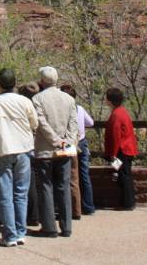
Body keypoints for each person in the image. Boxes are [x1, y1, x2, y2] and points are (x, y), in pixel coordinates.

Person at [0, 68, 38, 247]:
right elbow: (34, 123)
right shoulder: (25, 101)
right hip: (24, 149)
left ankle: (10, 235)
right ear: (15, 83)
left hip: (3, 150)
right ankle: (20, 232)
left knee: (5, 194)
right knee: (20, 193)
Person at [32, 66, 78, 238]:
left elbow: (41, 123)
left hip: (45, 150)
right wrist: (67, 142)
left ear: (42, 81)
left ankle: (49, 228)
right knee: (63, 187)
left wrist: (55, 140)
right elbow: (73, 124)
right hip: (65, 151)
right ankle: (67, 227)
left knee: (46, 187)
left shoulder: (37, 98)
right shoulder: (68, 99)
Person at [60, 84, 95, 215]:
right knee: (84, 175)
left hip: (68, 143)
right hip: (82, 142)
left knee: (68, 174)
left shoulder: (63, 110)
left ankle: (71, 207)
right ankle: (88, 206)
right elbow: (91, 123)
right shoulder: (79, 108)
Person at [104, 87, 138, 210]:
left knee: (123, 176)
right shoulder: (122, 111)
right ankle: (127, 201)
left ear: (110, 100)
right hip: (127, 148)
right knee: (125, 175)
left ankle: (128, 203)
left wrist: (112, 154)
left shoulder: (116, 115)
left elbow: (115, 136)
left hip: (122, 150)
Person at [18, 82, 40, 226]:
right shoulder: (37, 106)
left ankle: (29, 215)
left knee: (23, 184)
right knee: (35, 183)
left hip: (25, 146)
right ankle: (35, 215)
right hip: (36, 146)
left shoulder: (22, 106)